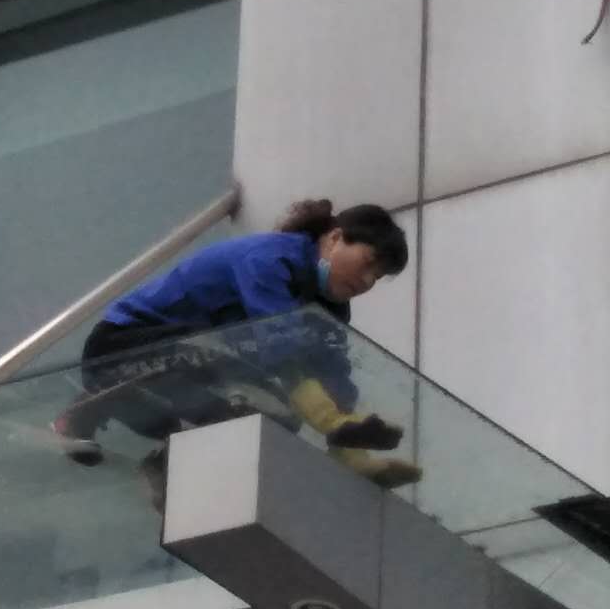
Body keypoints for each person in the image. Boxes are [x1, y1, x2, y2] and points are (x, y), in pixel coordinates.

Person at [52, 199, 421, 505]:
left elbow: (333, 374)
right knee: (212, 355)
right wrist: (329, 421)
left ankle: (167, 462)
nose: (367, 281)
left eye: (378, 277)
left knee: (278, 417)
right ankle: (84, 410)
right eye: (368, 263)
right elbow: (279, 344)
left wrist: (352, 446)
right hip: (124, 347)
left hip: (189, 372)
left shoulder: (329, 309)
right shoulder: (269, 259)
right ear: (336, 237)